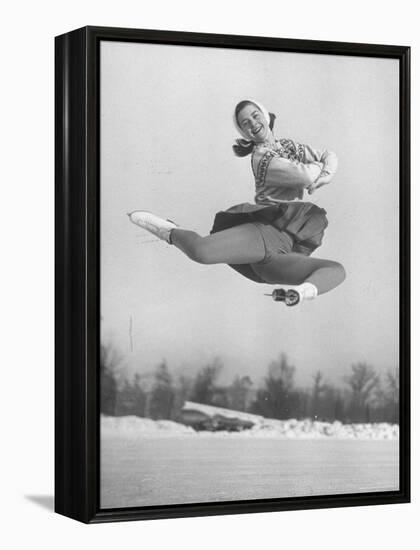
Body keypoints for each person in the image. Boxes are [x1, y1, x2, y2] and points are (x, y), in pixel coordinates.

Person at [128, 99, 345, 306]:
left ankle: (299, 293)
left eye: (255, 116)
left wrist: (325, 173)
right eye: (245, 123)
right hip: (266, 229)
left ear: (265, 116)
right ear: (244, 132)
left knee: (336, 269)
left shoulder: (288, 145)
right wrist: (319, 168)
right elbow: (306, 176)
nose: (253, 123)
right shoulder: (262, 158)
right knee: (201, 252)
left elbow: (328, 155)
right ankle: (169, 230)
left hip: (284, 248)